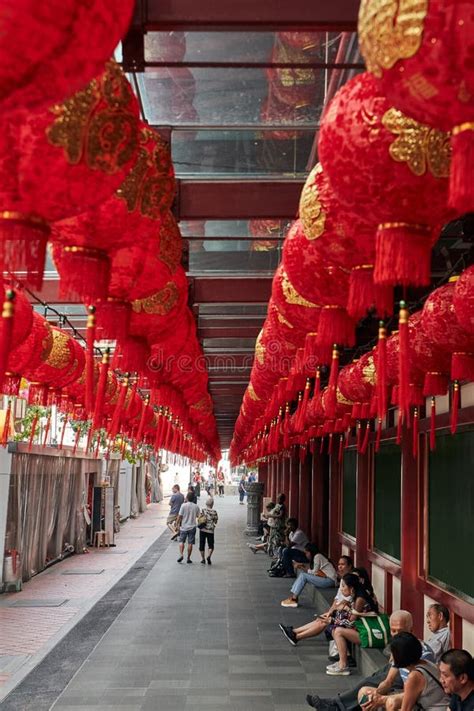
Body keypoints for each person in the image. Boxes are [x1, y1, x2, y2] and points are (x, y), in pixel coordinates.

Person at [305, 609, 435, 710]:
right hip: (403, 680)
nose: (396, 635)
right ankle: (338, 704)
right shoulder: (402, 647)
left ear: (411, 629)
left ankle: (337, 705)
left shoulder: (421, 655)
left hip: (414, 688)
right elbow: (389, 679)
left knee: (376, 685)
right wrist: (377, 694)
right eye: (393, 631)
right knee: (373, 680)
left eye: (400, 631)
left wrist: (379, 697)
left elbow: (410, 688)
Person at [379, 632, 449, 711]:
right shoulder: (427, 663)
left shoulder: (414, 676)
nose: (391, 657)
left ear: (399, 655)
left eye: (393, 653)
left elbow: (406, 709)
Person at [325, 574, 380, 676]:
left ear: (352, 588)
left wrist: (333, 620)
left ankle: (343, 665)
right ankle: (342, 661)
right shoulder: (355, 596)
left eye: (343, 586)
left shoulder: (360, 599)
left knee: (338, 631)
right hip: (362, 630)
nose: (341, 589)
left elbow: (351, 622)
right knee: (335, 628)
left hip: (369, 634)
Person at [280, 543, 337, 608]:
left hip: (329, 581)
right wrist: (301, 566)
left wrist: (302, 567)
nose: (306, 555)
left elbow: (314, 572)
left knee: (303, 576)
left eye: (306, 553)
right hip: (327, 579)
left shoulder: (317, 556)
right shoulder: (318, 556)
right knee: (303, 575)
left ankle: (294, 599)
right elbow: (313, 570)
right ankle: (293, 597)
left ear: (311, 552)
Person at [176, 491, 200, 564]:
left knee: (181, 541)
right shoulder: (196, 506)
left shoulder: (183, 505)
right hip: (192, 527)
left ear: (187, 497)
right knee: (190, 543)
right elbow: (199, 516)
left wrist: (177, 524)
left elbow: (180, 516)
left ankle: (181, 554)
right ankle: (188, 558)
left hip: (183, 527)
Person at [199, 497, 218, 565]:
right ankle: (209, 556)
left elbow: (200, 518)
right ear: (212, 504)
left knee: (202, 545)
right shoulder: (214, 512)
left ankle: (203, 559)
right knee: (211, 545)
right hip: (210, 530)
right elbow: (215, 521)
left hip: (203, 529)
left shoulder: (203, 510)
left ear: (206, 503)